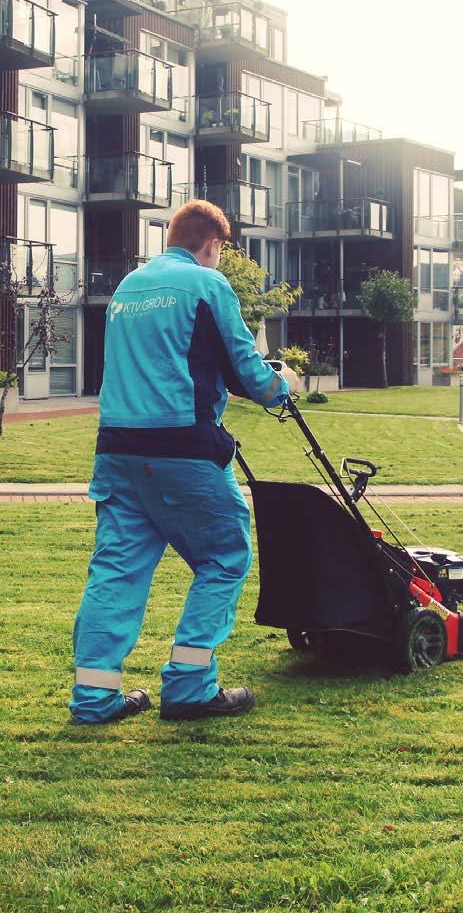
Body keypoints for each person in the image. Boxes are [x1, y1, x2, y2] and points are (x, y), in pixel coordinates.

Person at [70, 200, 289, 724]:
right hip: (183, 450)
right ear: (213, 244)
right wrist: (283, 386)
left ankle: (94, 699)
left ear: (172, 236)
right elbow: (248, 372)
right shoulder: (207, 286)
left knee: (117, 570)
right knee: (224, 556)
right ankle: (190, 685)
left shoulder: (128, 287)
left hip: (118, 453)